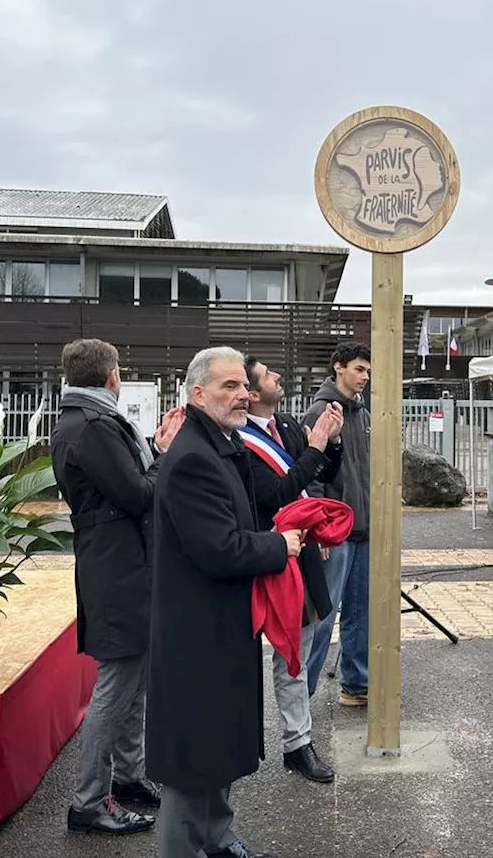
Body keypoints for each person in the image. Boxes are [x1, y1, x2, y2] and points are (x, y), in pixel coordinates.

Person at [146, 346, 304, 858]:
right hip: (197, 634)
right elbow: (220, 548)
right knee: (193, 761)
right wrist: (279, 546)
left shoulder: (219, 444)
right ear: (198, 394)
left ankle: (217, 838)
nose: (243, 395)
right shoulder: (194, 456)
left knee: (217, 748)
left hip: (219, 626)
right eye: (229, 387)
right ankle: (183, 849)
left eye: (244, 386)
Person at [52, 339, 184, 836]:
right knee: (116, 684)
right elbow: (137, 493)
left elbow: (122, 481)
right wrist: (163, 454)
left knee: (134, 679)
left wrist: (150, 448)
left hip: (118, 561)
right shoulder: (92, 426)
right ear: (112, 377)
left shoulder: (84, 422)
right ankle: (88, 800)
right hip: (119, 565)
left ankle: (128, 778)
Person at [241, 356, 343, 784]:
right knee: (246, 660)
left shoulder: (284, 426)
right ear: (249, 390)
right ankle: (238, 748)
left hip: (298, 553)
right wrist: (316, 448)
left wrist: (330, 446)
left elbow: (317, 476)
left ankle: (297, 744)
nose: (278, 377)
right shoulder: (239, 440)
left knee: (294, 655)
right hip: (259, 554)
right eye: (268, 375)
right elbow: (276, 493)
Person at [304, 341, 372, 706]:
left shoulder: (363, 414)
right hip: (334, 535)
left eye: (367, 371)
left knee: (360, 613)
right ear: (339, 368)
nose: (364, 377)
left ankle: (356, 685)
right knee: (323, 618)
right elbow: (310, 476)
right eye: (359, 369)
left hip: (362, 529)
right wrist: (319, 532)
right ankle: (303, 693)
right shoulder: (321, 412)